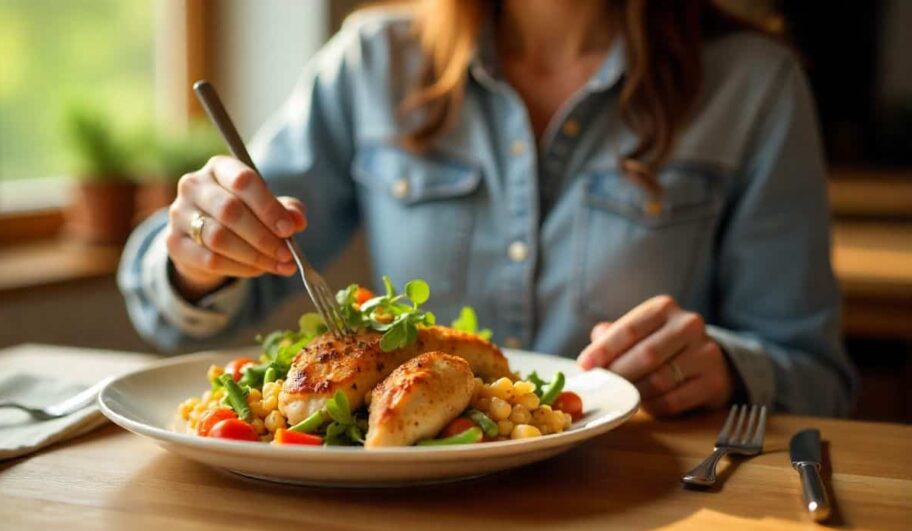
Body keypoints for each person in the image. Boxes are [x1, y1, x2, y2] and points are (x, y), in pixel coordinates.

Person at [118, 0, 857, 417]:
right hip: (393, 530)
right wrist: (197, 255)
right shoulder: (373, 62)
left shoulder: (757, 86)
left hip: (642, 502)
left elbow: (820, 377)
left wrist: (728, 365)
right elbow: (166, 301)